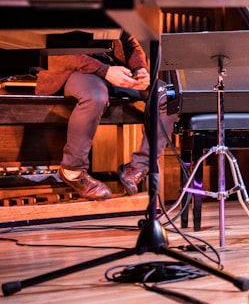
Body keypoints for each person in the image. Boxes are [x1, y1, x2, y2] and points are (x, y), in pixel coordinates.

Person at [35, 30, 177, 201]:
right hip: (73, 70)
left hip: (113, 69)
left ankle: (138, 167)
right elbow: (57, 50)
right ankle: (72, 171)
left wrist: (140, 70)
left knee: (168, 97)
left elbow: (129, 42)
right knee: (95, 97)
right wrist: (105, 70)